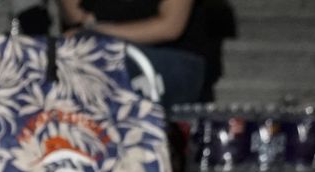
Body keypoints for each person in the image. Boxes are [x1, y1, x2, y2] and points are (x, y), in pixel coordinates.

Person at [57, 0, 219, 105]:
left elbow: (170, 27)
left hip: (167, 70)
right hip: (98, 69)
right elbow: (75, 16)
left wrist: (98, 32)